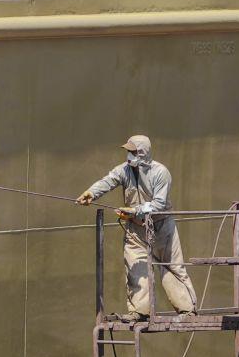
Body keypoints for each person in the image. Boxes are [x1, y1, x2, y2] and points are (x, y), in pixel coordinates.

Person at [77, 135, 198, 321]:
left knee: (172, 267)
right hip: (136, 229)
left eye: (133, 152)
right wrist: (91, 193)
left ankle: (188, 310)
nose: (129, 155)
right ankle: (140, 311)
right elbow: (108, 181)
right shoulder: (124, 170)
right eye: (128, 151)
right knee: (135, 268)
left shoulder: (160, 172)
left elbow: (159, 203)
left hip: (161, 226)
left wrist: (135, 210)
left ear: (143, 152)